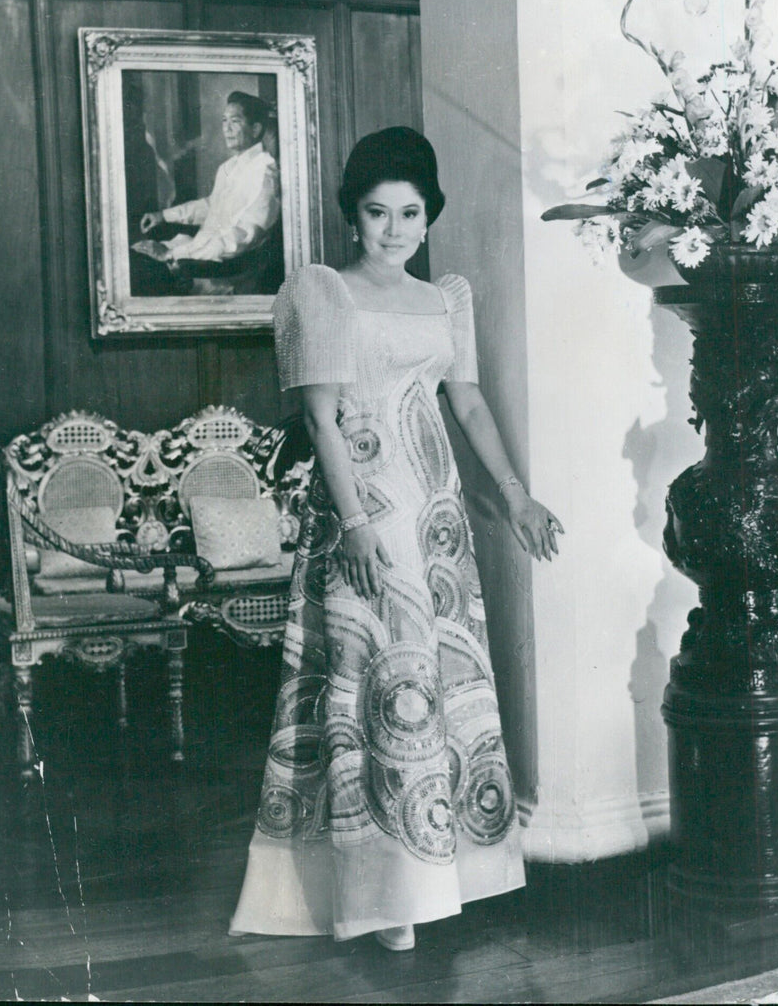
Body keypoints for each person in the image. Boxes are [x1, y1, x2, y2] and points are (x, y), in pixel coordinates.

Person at [229, 126, 564, 952]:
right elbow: (320, 418)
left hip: (437, 516)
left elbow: (470, 405)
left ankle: (437, 876)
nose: (394, 229)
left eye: (410, 213)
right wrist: (353, 525)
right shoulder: (323, 293)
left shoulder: (446, 296)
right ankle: (382, 897)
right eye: (377, 213)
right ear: (353, 216)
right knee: (375, 680)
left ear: (429, 216)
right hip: (363, 514)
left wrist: (516, 497)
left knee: (435, 682)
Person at [132, 91, 281, 291]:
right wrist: (164, 216)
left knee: (141, 273)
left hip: (219, 271)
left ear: (255, 129)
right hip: (198, 253)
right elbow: (211, 206)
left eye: (234, 122)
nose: (226, 129)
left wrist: (173, 254)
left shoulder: (265, 173)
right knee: (134, 255)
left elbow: (244, 236)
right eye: (224, 120)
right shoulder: (229, 167)